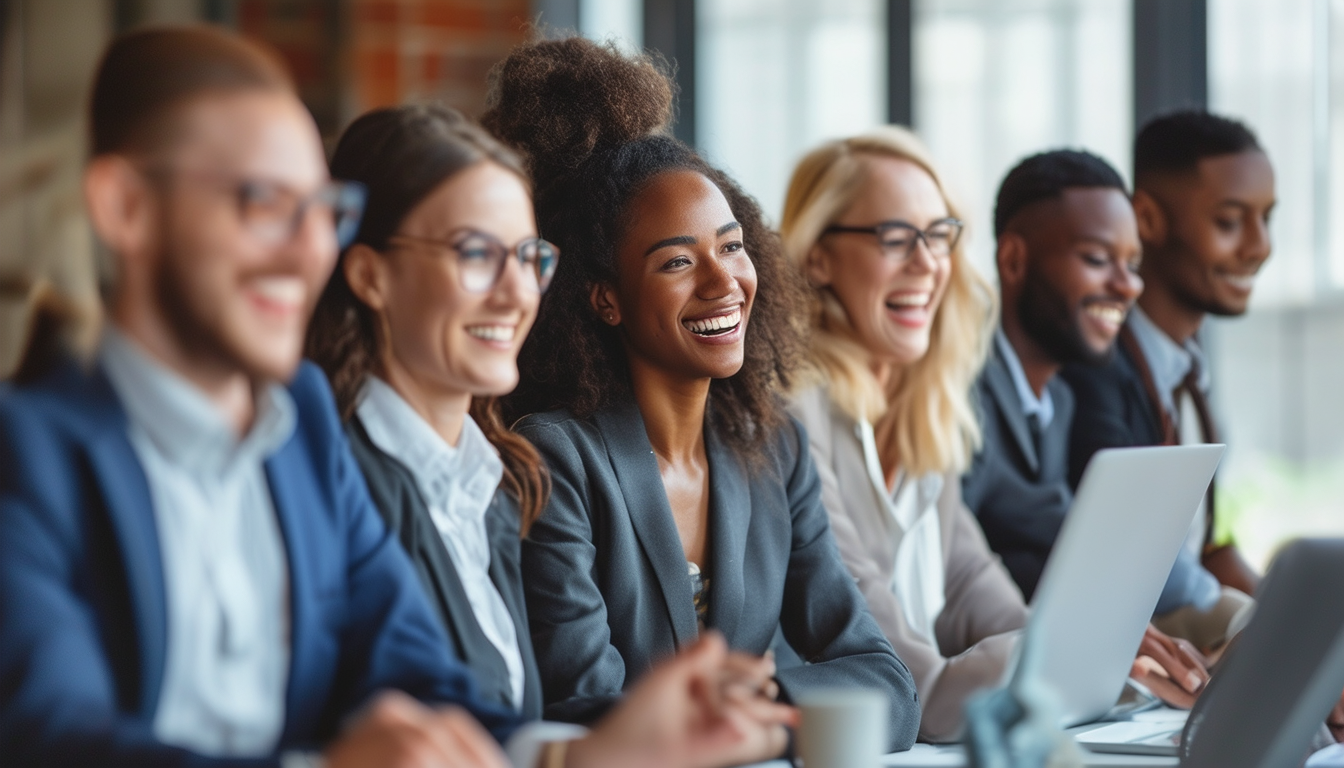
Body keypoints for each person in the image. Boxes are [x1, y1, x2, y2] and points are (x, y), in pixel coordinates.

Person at [0, 25, 795, 768]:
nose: (309, 246)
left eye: (322, 211)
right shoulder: (26, 453)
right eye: (261, 204)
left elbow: (423, 683)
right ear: (126, 209)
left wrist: (590, 752)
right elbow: (52, 736)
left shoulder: (298, 432)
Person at [482, 37, 921, 752]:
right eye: (678, 261)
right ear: (605, 299)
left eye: (733, 245)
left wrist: (760, 712)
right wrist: (773, 721)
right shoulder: (555, 458)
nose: (723, 283)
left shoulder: (772, 446)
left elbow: (887, 687)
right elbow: (586, 708)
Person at [306, 104, 554, 721]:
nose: (518, 291)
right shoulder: (329, 479)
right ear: (370, 274)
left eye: (528, 257)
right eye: (476, 254)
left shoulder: (494, 483)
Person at [778, 126, 1025, 742]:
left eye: (940, 236)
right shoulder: (791, 410)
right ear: (818, 255)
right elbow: (923, 693)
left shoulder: (924, 410)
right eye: (895, 238)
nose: (928, 263)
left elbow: (975, 589)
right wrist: (1060, 655)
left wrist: (1093, 649)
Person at [960, 149, 1210, 706]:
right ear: (1015, 259)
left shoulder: (1062, 404)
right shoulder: (953, 397)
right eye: (1098, 259)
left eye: (1133, 263)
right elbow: (958, 578)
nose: (1129, 286)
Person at [1061, 111, 1271, 651]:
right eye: (1230, 222)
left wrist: (1299, 629)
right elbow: (1140, 562)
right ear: (1147, 219)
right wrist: (1261, 629)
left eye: (1265, 219)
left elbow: (1209, 550)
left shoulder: (1187, 372)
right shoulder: (1092, 374)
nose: (1259, 246)